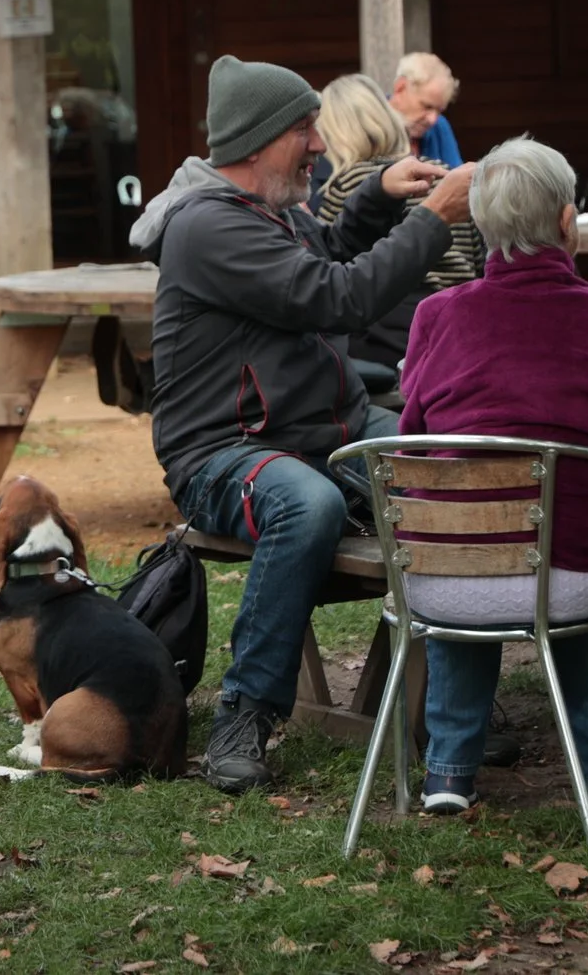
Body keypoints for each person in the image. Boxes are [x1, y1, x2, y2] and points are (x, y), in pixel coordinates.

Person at [131, 55, 477, 792]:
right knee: (307, 500)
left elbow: (330, 257)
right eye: (303, 129)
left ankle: (450, 706)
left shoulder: (274, 211)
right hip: (225, 453)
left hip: (322, 431)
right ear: (257, 143)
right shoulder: (208, 227)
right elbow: (336, 296)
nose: (319, 145)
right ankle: (245, 712)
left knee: (445, 466)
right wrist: (432, 218)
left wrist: (380, 199)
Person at [398, 137, 588, 815]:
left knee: (469, 565)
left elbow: (413, 443)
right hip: (573, 576)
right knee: (575, 571)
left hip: (449, 575)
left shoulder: (435, 317)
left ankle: (447, 773)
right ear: (568, 222)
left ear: (481, 226)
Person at [310, 74, 485, 382]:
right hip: (464, 320)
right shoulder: (443, 174)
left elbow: (330, 274)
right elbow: (479, 258)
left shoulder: (345, 184)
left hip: (396, 336)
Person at [390, 51, 463, 167]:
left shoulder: (440, 126)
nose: (432, 119)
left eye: (439, 111)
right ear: (400, 87)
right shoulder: (368, 122)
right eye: (427, 106)